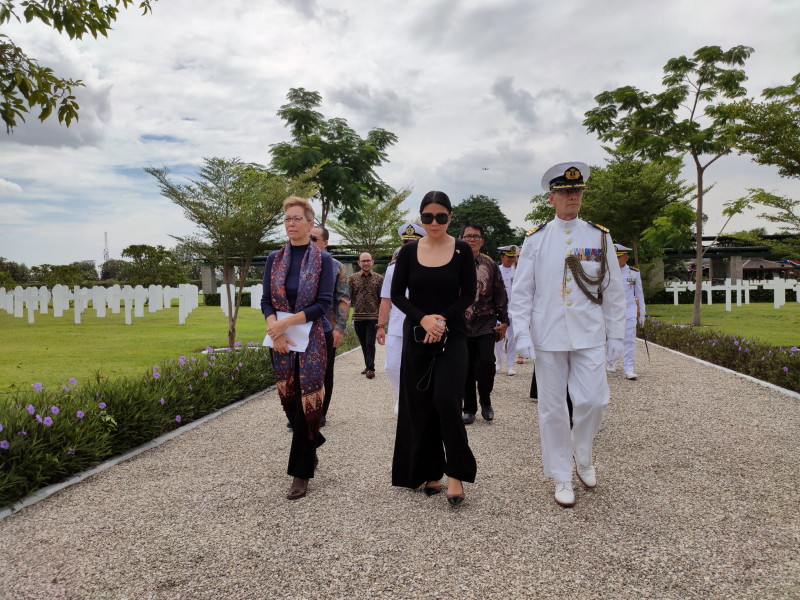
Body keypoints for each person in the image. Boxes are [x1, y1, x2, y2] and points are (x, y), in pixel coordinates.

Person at [510, 162, 626, 508]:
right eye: (564, 192)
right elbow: (522, 291)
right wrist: (522, 334)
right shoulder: (536, 239)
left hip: (589, 332)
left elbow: (613, 291)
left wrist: (616, 337)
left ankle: (583, 454)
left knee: (593, 400)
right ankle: (562, 475)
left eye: (576, 191)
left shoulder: (599, 236)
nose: (572, 196)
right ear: (552, 199)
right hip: (548, 334)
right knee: (552, 408)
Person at [391, 191, 477, 507]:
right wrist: (424, 319)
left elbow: (468, 294)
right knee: (420, 405)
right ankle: (431, 471)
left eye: (441, 216)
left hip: (451, 336)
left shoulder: (462, 250)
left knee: (446, 400)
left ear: (450, 217)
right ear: (421, 218)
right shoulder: (409, 252)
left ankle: (456, 473)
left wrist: (441, 320)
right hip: (417, 336)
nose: (434, 222)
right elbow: (399, 295)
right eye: (427, 217)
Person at [261, 196, 334, 500]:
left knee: (308, 404)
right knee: (290, 403)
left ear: (310, 223)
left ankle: (300, 473)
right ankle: (311, 439)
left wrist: (287, 322)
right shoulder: (274, 259)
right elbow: (266, 300)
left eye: (297, 218)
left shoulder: (324, 260)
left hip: (312, 340)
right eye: (287, 219)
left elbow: (323, 304)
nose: (291, 224)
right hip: (280, 341)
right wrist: (275, 330)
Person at [460, 222, 509, 424]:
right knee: (465, 367)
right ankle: (469, 408)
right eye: (468, 236)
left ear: (482, 241)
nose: (472, 240)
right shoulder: (452, 263)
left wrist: (504, 321)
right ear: (461, 239)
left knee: (486, 363)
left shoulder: (490, 265)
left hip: (485, 322)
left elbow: (500, 294)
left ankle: (486, 401)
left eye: (476, 236)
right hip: (461, 325)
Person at [376, 223, 426, 414]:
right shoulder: (392, 268)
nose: (407, 246)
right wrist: (380, 326)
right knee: (392, 365)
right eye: (405, 243)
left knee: (420, 364)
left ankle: (418, 399)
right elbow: (386, 299)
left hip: (421, 324)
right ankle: (401, 396)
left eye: (412, 243)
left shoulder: (429, 265)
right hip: (397, 324)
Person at [310, 225, 351, 425]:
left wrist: (339, 328)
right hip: (301, 327)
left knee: (325, 371)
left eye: (314, 239)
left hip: (327, 326)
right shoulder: (298, 263)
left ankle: (321, 412)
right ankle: (302, 412)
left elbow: (343, 298)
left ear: (325, 243)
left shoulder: (336, 266)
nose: (310, 242)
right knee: (299, 371)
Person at [607, 243, 646, 380]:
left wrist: (642, 314)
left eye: (619, 257)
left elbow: (639, 294)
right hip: (612, 312)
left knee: (629, 341)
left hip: (629, 311)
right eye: (614, 257)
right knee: (611, 338)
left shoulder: (633, 273)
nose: (616, 261)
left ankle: (629, 368)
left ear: (626, 257)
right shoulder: (607, 272)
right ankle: (611, 361)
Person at [348, 252, 383, 379]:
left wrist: (382, 319)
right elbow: (348, 298)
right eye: (363, 261)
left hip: (373, 316)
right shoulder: (352, 279)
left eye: (368, 260)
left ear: (372, 262)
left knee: (370, 342)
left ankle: (371, 368)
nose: (366, 263)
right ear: (359, 263)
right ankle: (367, 365)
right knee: (363, 343)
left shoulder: (379, 279)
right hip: (358, 316)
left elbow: (382, 299)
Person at [495, 245, 520, 376]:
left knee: (512, 338)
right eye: (509, 257)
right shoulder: (496, 270)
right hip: (500, 309)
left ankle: (510, 365)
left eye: (513, 257)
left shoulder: (517, 272)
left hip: (513, 309)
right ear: (502, 257)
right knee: (499, 338)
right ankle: (499, 361)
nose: (511, 259)